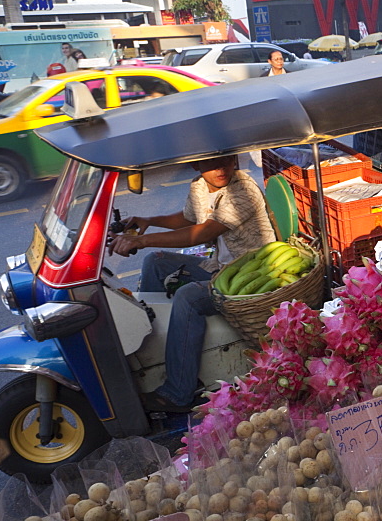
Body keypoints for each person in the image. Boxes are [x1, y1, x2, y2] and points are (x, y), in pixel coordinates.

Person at [109, 155, 275, 412]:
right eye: (211, 163)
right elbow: (189, 218)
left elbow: (203, 232)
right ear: (195, 165)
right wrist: (149, 221)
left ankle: (179, 391)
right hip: (218, 266)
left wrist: (141, 241)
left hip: (248, 277)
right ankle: (159, 354)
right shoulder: (200, 186)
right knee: (156, 261)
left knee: (188, 297)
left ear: (234, 161)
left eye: (226, 161)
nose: (221, 169)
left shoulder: (243, 190)